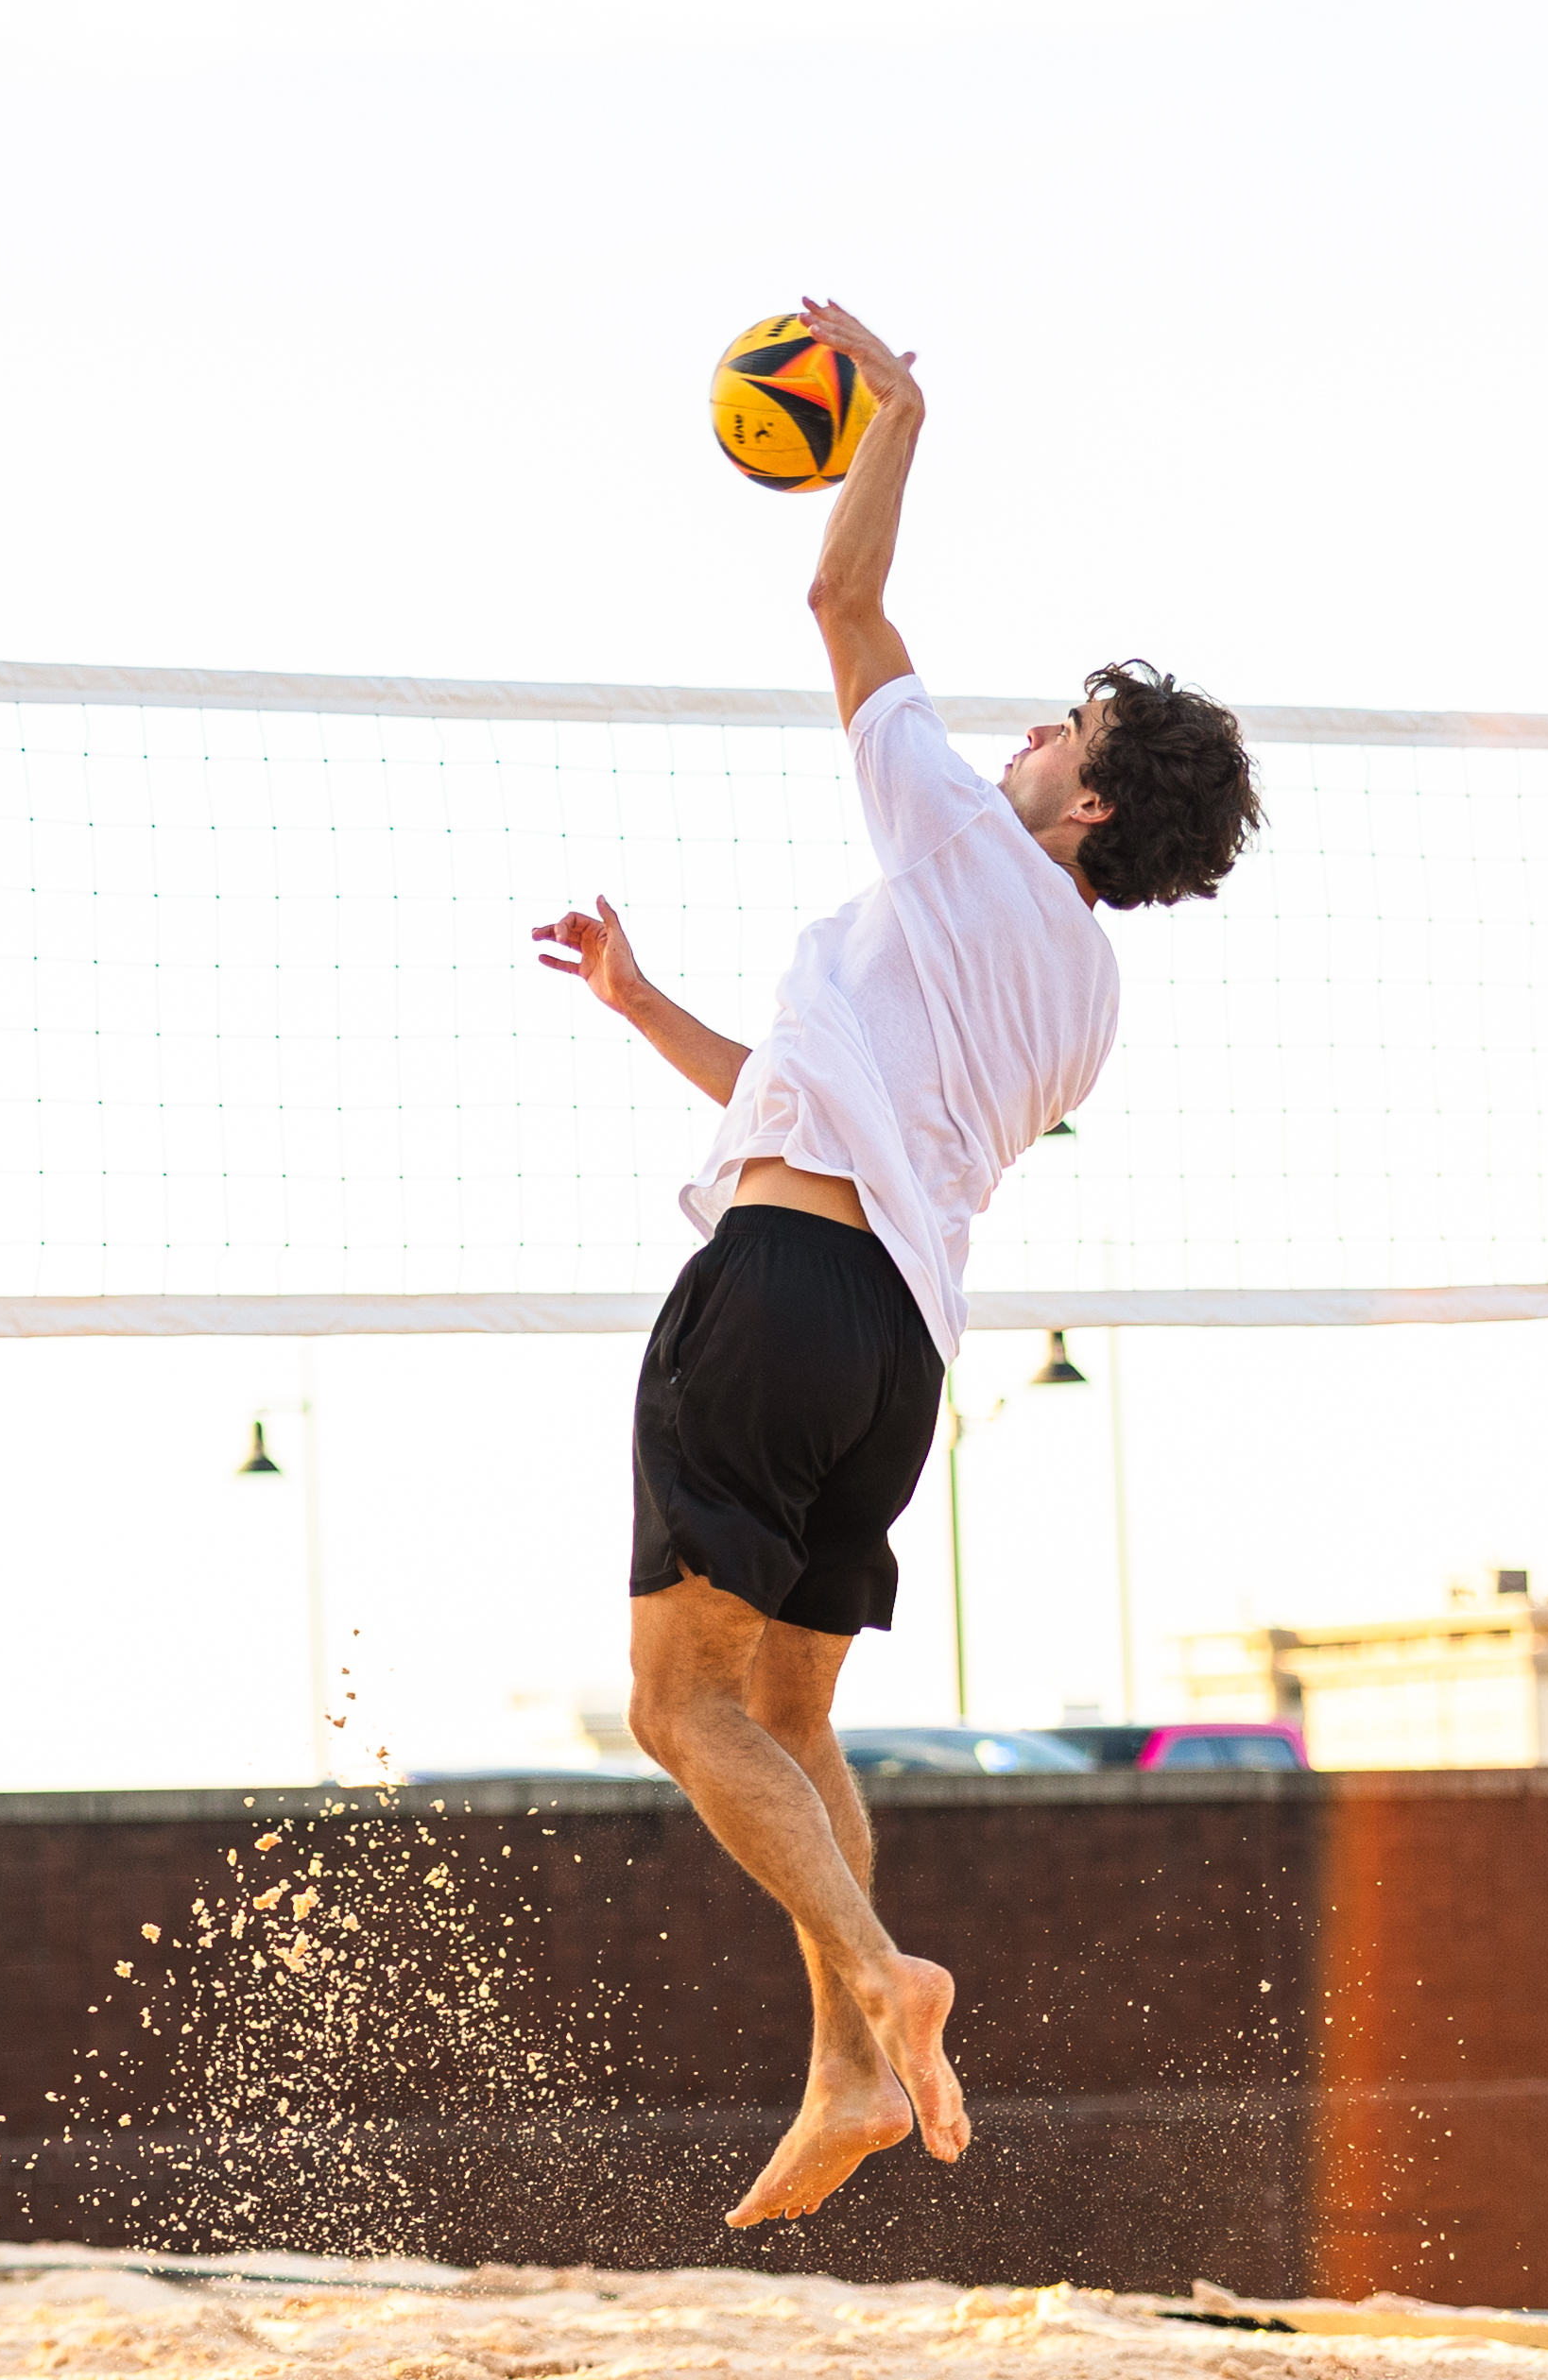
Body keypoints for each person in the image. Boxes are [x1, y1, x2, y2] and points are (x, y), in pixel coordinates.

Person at [538, 298, 1257, 2229]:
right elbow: (817, 1096)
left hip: (772, 1301)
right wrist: (642, 1007)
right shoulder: (1080, 996)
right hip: (890, 1353)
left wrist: (894, 419)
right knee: (785, 1721)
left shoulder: (956, 837)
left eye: (1064, 733)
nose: (1025, 734)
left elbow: (839, 602)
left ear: (1082, 799)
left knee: (678, 1713)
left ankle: (882, 1976)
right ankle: (852, 2066)